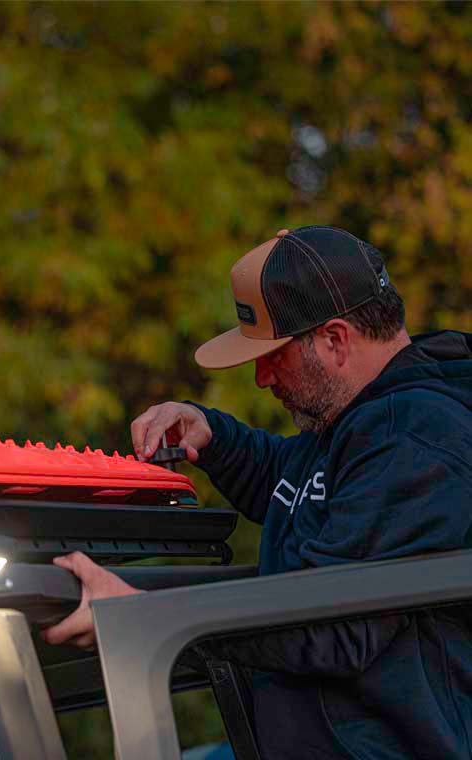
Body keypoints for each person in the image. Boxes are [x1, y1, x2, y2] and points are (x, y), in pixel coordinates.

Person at [43, 226, 472, 759]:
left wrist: (143, 614)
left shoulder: (414, 436)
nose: (261, 378)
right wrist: (214, 436)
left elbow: (334, 626)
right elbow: (293, 488)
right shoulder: (357, 419)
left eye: (274, 356)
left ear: (335, 340)